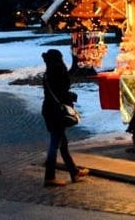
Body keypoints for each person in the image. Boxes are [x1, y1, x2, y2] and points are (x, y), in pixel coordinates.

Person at [40, 49, 89, 187]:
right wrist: (71, 96)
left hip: (49, 110)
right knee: (55, 144)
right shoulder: (58, 71)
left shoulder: (48, 73)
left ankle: (74, 172)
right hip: (57, 111)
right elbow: (61, 92)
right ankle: (50, 177)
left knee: (62, 143)